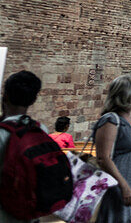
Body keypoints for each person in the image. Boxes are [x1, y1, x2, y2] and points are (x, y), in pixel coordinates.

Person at [0, 70, 71, 223]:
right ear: (32, 101)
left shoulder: (2, 133)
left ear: (4, 96)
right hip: (29, 211)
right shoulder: (40, 130)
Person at [93, 74, 131, 223]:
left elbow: (126, 150)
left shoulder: (129, 120)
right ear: (128, 93)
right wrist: (124, 187)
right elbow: (103, 158)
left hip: (129, 179)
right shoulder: (110, 120)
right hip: (115, 183)